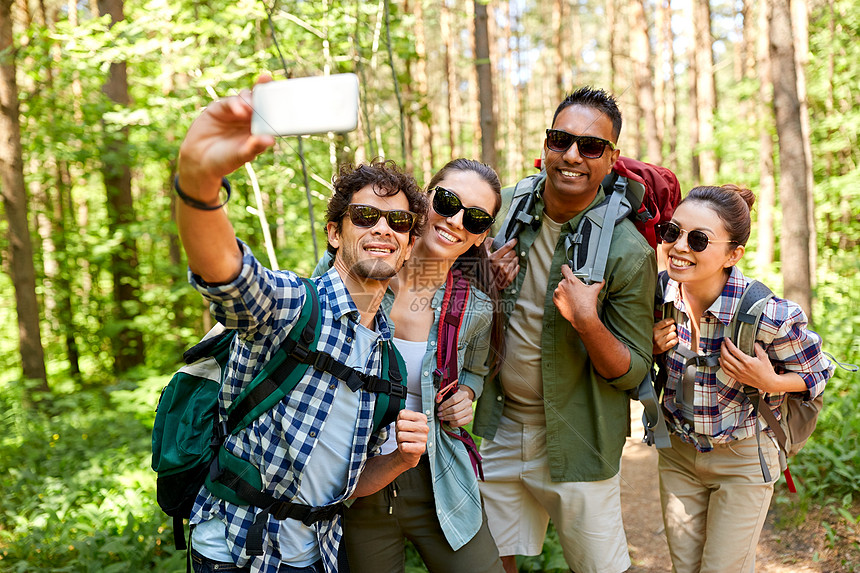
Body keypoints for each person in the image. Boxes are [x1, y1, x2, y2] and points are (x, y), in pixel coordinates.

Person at [174, 77, 431, 573]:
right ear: (335, 232)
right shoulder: (293, 305)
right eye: (365, 216)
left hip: (314, 559)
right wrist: (200, 184)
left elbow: (349, 485)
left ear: (406, 243)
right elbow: (226, 275)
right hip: (234, 552)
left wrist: (399, 460)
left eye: (398, 223)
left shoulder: (388, 362)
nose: (382, 228)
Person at [473, 86, 656, 573]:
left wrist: (588, 322)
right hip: (498, 424)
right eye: (561, 140)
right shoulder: (505, 208)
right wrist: (480, 280)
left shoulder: (629, 252)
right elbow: (440, 287)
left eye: (591, 147)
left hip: (580, 439)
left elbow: (632, 370)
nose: (572, 155)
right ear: (546, 145)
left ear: (611, 158)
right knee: (487, 560)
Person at [651, 184, 831, 573]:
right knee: (686, 568)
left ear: (733, 254)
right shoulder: (661, 294)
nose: (679, 246)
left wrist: (771, 380)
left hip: (743, 460)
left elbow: (819, 370)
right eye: (672, 232)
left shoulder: (769, 315)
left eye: (698, 239)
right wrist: (652, 346)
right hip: (678, 454)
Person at [338, 159, 506, 573]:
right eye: (447, 202)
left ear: (481, 235)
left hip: (441, 479)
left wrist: (467, 394)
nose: (455, 220)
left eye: (476, 217)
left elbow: (475, 372)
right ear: (422, 201)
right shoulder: (356, 278)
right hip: (356, 485)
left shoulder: (476, 307)